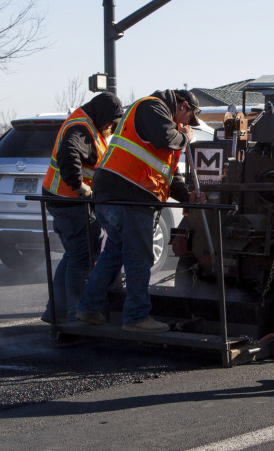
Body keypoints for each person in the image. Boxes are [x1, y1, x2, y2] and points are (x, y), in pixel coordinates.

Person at [76, 89, 204, 333]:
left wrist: (188, 196)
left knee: (114, 252)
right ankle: (136, 316)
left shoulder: (160, 120)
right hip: (128, 195)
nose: (187, 125)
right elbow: (166, 138)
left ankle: (88, 307)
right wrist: (186, 137)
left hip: (117, 194)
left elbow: (168, 176)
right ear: (183, 107)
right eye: (189, 120)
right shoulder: (152, 107)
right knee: (139, 257)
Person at [41, 92, 123, 323]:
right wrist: (79, 185)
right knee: (81, 257)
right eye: (112, 122)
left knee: (74, 255)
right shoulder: (80, 128)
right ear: (104, 115)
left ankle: (56, 310)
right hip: (68, 201)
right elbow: (68, 154)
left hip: (63, 200)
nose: (112, 127)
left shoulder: (89, 125)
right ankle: (76, 313)